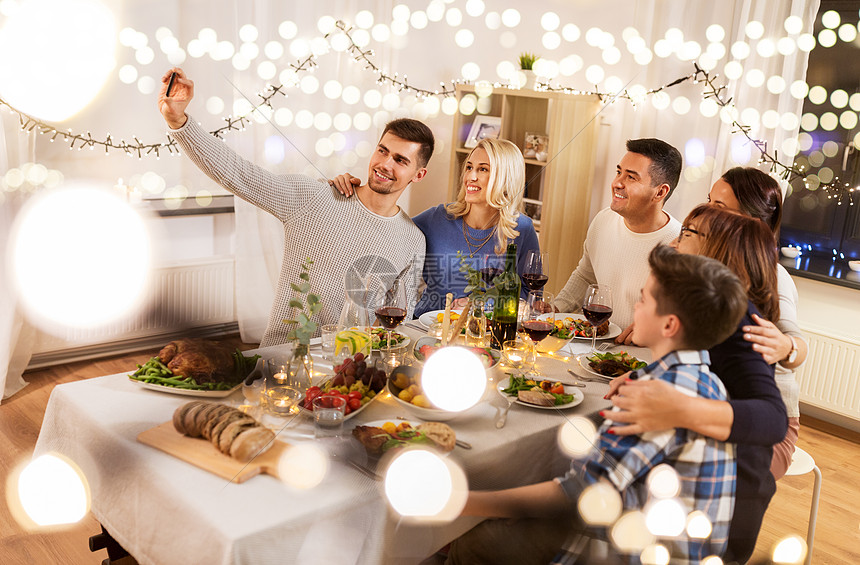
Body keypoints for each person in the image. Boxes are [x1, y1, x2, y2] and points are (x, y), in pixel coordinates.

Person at [446, 245, 748, 565]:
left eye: (644, 298)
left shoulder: (655, 397)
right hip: (684, 546)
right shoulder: (709, 382)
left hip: (633, 551)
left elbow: (578, 494)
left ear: (669, 326)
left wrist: (461, 502)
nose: (635, 304)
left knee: (476, 542)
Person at [158, 68, 433, 347]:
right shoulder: (314, 196)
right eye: (383, 151)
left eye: (400, 160)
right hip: (284, 357)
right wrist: (179, 121)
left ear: (418, 175)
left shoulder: (412, 240)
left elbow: (397, 320)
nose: (385, 164)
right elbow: (238, 173)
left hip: (351, 370)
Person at [607, 205, 788, 563]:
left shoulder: (742, 323)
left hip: (724, 505)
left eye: (687, 233)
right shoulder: (712, 312)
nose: (674, 241)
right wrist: (644, 376)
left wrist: (678, 408)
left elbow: (772, 418)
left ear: (719, 249)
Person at [331, 138, 540, 317]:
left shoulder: (522, 229)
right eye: (469, 167)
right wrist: (357, 195)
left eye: (482, 169)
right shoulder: (438, 217)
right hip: (425, 327)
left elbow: (530, 297)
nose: (471, 177)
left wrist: (483, 306)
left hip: (485, 334)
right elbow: (388, 230)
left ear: (505, 177)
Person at [709, 167, 808, 479]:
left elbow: (798, 346)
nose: (706, 212)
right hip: (721, 408)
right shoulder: (709, 265)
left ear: (749, 221)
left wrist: (787, 346)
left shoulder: (774, 277)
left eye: (718, 207)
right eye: (708, 202)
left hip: (769, 428)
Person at [553, 138, 683, 333]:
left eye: (631, 177)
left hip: (644, 355)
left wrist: (651, 329)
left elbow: (683, 317)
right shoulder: (603, 220)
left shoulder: (680, 245)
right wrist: (557, 308)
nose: (616, 183)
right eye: (619, 172)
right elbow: (586, 275)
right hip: (597, 345)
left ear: (660, 192)